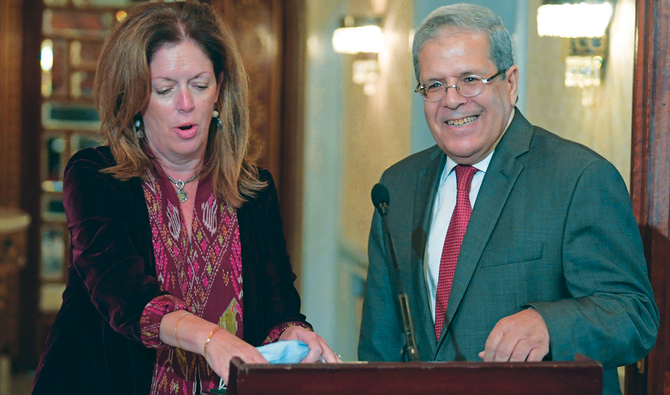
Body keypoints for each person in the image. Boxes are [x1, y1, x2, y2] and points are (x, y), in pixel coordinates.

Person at [32, 2, 338, 394]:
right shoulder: (95, 176)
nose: (185, 104)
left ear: (220, 89)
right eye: (164, 89)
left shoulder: (254, 188)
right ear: (136, 97)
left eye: (199, 84)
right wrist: (211, 339)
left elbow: (278, 302)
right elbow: (122, 292)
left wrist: (294, 332)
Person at [358, 4, 659, 395]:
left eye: (470, 79)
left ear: (511, 82)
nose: (452, 100)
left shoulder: (579, 178)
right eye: (434, 85)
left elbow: (634, 318)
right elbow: (379, 345)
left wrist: (549, 325)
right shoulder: (395, 188)